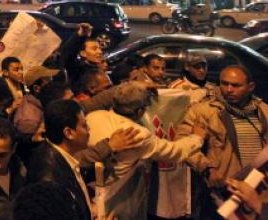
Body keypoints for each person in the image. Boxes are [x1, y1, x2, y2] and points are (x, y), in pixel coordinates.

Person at [87, 82, 206, 219]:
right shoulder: (136, 134)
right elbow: (174, 152)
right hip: (117, 199)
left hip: (90, 195)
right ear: (140, 111)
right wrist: (196, 137)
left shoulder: (93, 117)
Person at [177, 65, 268, 191]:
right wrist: (207, 169)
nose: (229, 89)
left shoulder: (264, 111)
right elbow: (182, 143)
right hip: (222, 187)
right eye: (224, 84)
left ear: (250, 87)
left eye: (236, 85)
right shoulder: (203, 111)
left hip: (259, 186)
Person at [28, 99, 93, 220]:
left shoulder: (54, 154)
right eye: (84, 125)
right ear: (69, 133)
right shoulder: (50, 181)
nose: (89, 130)